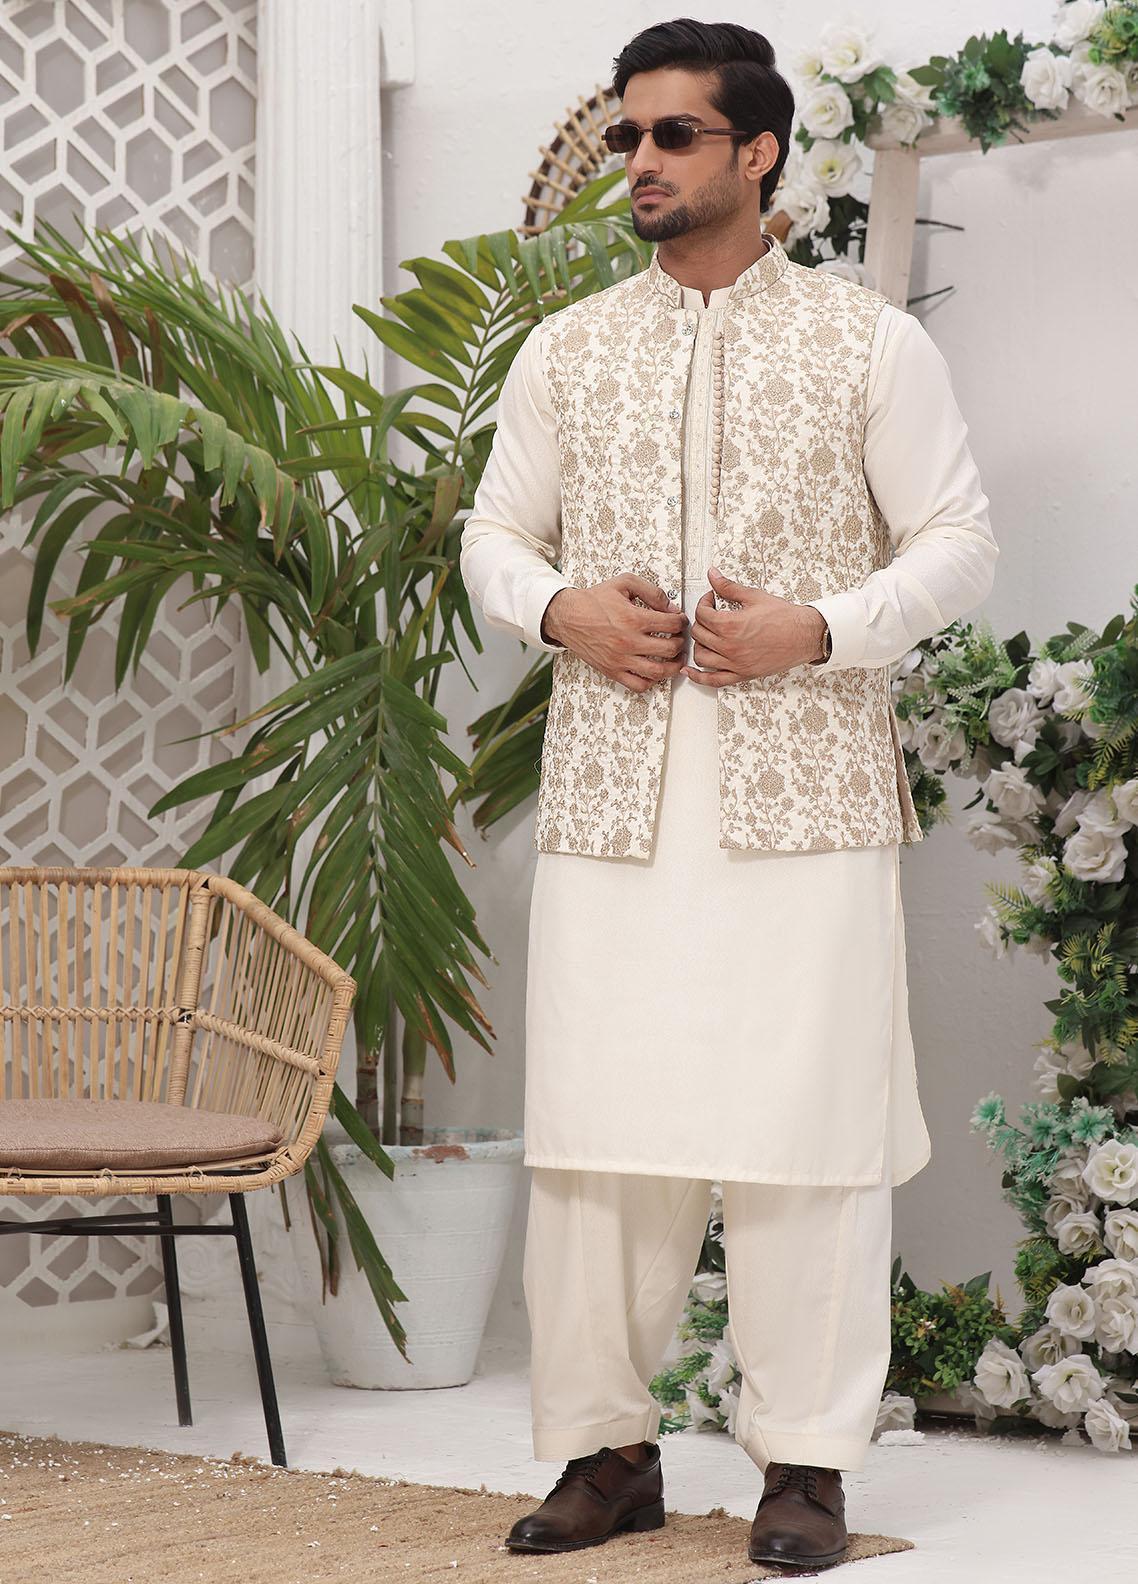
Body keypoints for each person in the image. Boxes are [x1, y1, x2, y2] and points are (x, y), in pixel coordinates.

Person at [460, 17, 998, 1570]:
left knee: (803, 1138)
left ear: (756, 152)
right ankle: (605, 1453)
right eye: (626, 134)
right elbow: (494, 537)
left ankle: (805, 1468)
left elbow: (956, 540)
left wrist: (817, 629)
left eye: (672, 134)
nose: (638, 160)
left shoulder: (864, 343)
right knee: (598, 1137)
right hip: (613, 803)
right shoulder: (570, 350)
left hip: (803, 804)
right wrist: (558, 608)